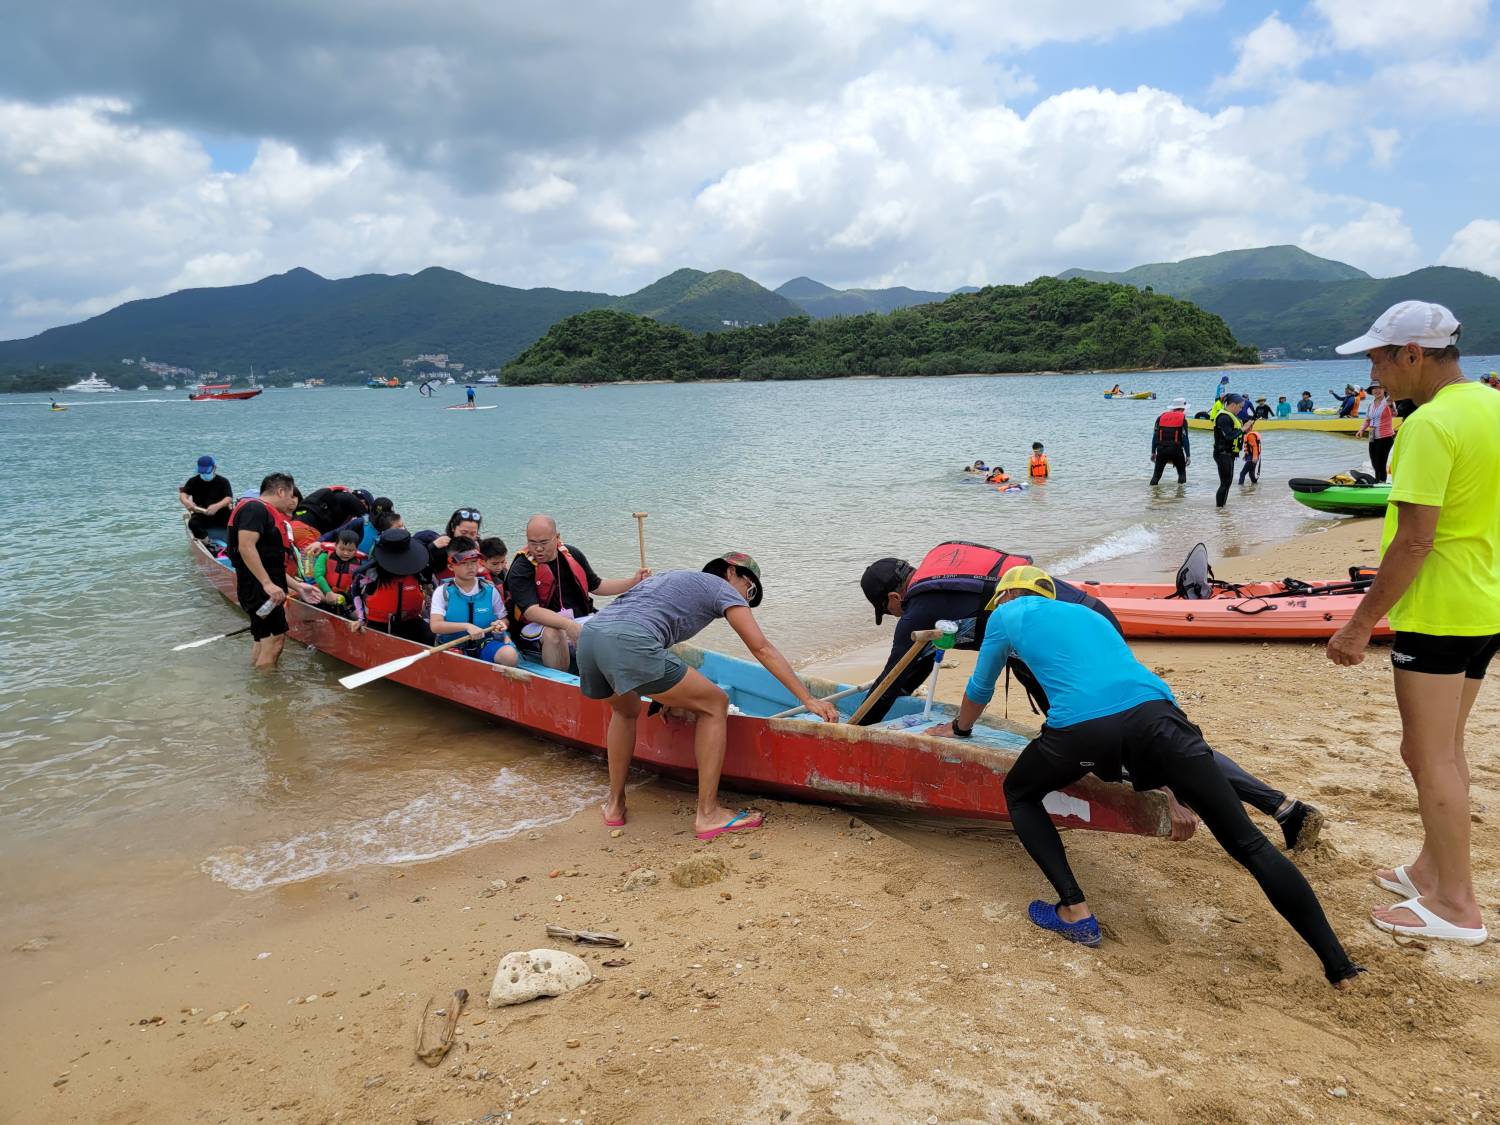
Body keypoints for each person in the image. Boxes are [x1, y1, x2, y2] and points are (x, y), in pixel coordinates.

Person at [929, 566, 1363, 987]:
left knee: (1020, 793)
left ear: (1005, 596)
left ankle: (1075, 912)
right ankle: (1340, 968)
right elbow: (1128, 701)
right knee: (1249, 844)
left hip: (1083, 731)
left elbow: (980, 688)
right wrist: (1172, 792)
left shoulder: (1006, 614)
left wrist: (960, 729)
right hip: (1163, 719)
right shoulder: (1089, 615)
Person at [1327, 300, 1499, 946]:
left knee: (1430, 756)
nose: (1374, 372)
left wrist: (1359, 623)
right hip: (1484, 604)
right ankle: (1432, 867)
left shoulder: (1427, 426)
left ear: (1413, 355)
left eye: (1378, 357)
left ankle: (1457, 903)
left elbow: (1413, 542)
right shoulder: (1489, 403)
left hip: (1440, 609)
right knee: (1442, 749)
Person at [578, 553, 841, 838]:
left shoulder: (676, 578)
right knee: (716, 704)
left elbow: (642, 627)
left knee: (625, 711)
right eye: (749, 590)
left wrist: (670, 696)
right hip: (629, 642)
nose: (746, 600)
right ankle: (708, 814)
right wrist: (808, 699)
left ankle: (615, 806)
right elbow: (762, 648)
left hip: (591, 637)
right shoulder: (723, 590)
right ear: (731, 572)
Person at [506, 514, 650, 671]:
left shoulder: (572, 554)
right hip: (537, 627)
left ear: (557, 537)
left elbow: (598, 586)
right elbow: (531, 612)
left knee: (620, 625)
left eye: (544, 543)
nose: (538, 549)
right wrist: (568, 626)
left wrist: (633, 582)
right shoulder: (521, 568)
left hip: (577, 619)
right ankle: (562, 683)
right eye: (532, 543)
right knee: (555, 633)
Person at [226, 472, 324, 668]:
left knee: (263, 639)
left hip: (261, 589)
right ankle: (268, 693)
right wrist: (267, 584)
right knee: (275, 642)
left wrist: (298, 586)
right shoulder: (255, 508)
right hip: (260, 590)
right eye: (290, 495)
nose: (292, 501)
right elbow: (246, 546)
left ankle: (256, 684)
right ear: (280, 491)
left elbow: (270, 563)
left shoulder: (262, 511)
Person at [429, 538, 518, 666]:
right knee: (457, 661)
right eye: (465, 563)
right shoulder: (443, 592)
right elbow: (435, 626)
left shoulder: (490, 590)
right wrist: (466, 626)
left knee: (510, 656)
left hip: (484, 643)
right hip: (454, 646)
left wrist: (501, 624)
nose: (471, 567)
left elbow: (504, 619)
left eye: (474, 562)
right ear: (450, 566)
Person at [355, 527, 433, 644]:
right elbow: (355, 591)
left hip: (411, 621)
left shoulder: (418, 570)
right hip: (378, 624)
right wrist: (361, 618)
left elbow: (431, 592)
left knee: (432, 637)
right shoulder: (371, 573)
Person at [308, 528, 364, 615]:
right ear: (335, 545)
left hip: (344, 597)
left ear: (356, 549)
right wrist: (328, 592)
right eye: (342, 549)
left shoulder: (359, 563)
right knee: (311, 594)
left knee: (357, 614)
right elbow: (318, 575)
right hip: (324, 591)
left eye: (350, 550)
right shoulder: (325, 555)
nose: (346, 553)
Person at [179, 455, 234, 540]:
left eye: (207, 472)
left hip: (221, 513)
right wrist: (186, 502)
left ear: (214, 468)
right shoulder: (193, 481)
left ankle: (235, 541)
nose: (204, 474)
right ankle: (207, 541)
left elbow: (229, 498)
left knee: (237, 521)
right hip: (201, 514)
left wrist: (217, 506)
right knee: (193, 524)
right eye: (202, 472)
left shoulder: (223, 481)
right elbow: (183, 494)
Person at [1358, 382, 1397, 483]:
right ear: (1371, 391)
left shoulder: (1388, 401)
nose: (1376, 390)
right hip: (1372, 435)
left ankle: (1381, 482)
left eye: (1379, 388)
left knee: (1381, 463)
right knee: (1374, 462)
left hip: (1385, 436)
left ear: (1384, 389)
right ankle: (1378, 481)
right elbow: (1367, 419)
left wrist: (1391, 406)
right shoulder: (1371, 404)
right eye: (1374, 388)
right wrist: (1361, 430)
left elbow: (1394, 414)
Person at [1212, 394, 1244, 507]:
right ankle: (1219, 509)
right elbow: (1229, 436)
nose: (1241, 410)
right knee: (1225, 483)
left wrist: (1244, 430)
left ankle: (1222, 510)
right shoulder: (1223, 417)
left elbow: (1234, 433)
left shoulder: (1230, 416)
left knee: (1227, 483)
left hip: (1228, 454)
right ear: (1233, 405)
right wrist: (1243, 429)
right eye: (1240, 407)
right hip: (1222, 454)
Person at [1149, 397, 1191, 484]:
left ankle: (1152, 495)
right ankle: (1180, 496)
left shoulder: (1160, 418)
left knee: (1156, 476)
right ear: (1183, 409)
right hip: (1176, 451)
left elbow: (1155, 437)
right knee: (1182, 475)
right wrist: (1188, 455)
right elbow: (1185, 439)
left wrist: (1153, 452)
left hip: (1161, 450)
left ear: (1173, 408)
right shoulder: (1183, 420)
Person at [295, 485, 368, 534]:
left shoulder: (333, 500)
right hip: (307, 529)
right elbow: (368, 523)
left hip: (294, 523)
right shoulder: (350, 499)